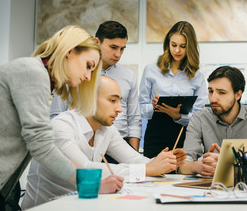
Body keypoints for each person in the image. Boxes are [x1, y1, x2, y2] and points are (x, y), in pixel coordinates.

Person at [0, 26, 122, 211]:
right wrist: (93, 184)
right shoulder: (32, 72)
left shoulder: (40, 78)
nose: (87, 77)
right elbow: (42, 146)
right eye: (88, 66)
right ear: (70, 51)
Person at [21, 76, 186, 209]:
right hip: (48, 206)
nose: (120, 109)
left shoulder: (106, 129)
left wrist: (164, 162)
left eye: (120, 101)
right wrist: (148, 168)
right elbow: (85, 169)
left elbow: (134, 159)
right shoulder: (62, 125)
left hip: (82, 204)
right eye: (113, 100)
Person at [50, 21, 142, 151]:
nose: (118, 54)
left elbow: (134, 119)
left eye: (122, 49)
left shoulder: (128, 75)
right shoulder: (75, 73)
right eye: (113, 47)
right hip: (81, 144)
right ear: (97, 42)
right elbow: (56, 115)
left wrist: (132, 153)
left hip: (120, 145)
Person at [179, 66, 247, 176]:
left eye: (221, 92)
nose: (213, 99)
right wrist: (199, 166)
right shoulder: (200, 117)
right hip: (212, 189)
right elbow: (184, 162)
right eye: (211, 91)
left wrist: (230, 167)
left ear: (237, 95)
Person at [139, 21, 208, 158]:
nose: (177, 50)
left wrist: (178, 116)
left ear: (190, 48)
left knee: (180, 176)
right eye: (173, 45)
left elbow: (199, 118)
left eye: (183, 46)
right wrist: (153, 106)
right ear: (167, 44)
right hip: (155, 134)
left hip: (184, 135)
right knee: (153, 176)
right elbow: (140, 108)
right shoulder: (151, 70)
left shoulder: (198, 77)